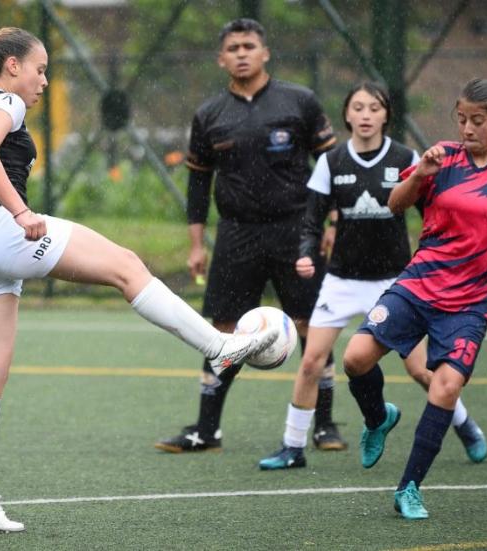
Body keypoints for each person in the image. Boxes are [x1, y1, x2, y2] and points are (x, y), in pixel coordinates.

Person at [0, 27, 275, 534]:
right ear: (10, 67)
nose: (44, 81)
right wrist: (22, 212)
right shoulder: (6, 99)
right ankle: (217, 347)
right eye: (40, 69)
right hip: (1, 231)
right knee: (127, 266)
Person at [343, 78, 487, 520]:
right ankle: (378, 418)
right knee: (355, 359)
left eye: (477, 121)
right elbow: (394, 205)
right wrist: (421, 175)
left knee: (446, 385)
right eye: (461, 119)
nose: (466, 129)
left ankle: (409, 487)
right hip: (418, 286)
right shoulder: (444, 156)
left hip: (471, 304)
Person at [258, 82, 487, 470]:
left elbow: (431, 215)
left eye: (374, 108)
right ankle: (292, 446)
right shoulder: (332, 162)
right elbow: (311, 220)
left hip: (394, 283)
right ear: (346, 115)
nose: (366, 115)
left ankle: (465, 426)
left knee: (420, 368)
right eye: (358, 108)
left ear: (386, 116)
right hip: (342, 279)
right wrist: (304, 254)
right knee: (312, 361)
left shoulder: (405, 157)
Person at [157, 18, 342, 454]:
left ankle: (325, 425)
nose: (241, 53)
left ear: (265, 53)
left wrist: (332, 222)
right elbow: (198, 184)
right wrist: (197, 244)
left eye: (249, 46)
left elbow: (334, 167)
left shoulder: (300, 102)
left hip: (297, 231)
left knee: (309, 326)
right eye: (233, 47)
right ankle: (207, 429)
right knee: (221, 329)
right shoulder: (209, 115)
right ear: (222, 58)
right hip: (236, 235)